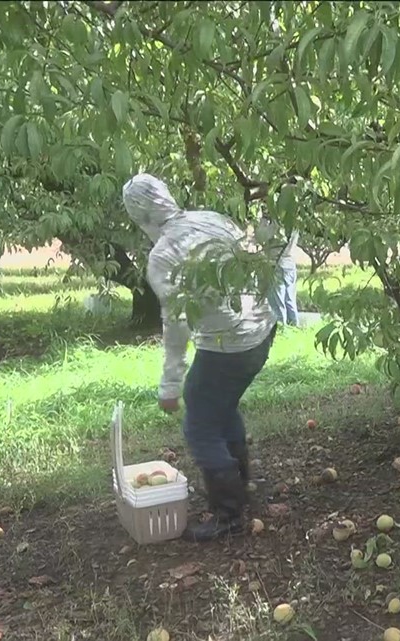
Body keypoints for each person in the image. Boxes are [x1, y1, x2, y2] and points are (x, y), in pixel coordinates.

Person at [122, 173, 278, 542]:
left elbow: (176, 322)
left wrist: (170, 384)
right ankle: (242, 487)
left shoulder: (163, 256)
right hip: (262, 331)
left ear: (139, 216)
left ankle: (229, 516)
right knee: (220, 407)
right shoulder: (211, 218)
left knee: (200, 424)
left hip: (229, 346)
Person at [258, 214, 300, 327]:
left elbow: (261, 237)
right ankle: (294, 326)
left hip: (276, 265)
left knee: (277, 302)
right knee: (289, 299)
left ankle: (281, 329)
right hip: (289, 264)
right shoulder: (294, 223)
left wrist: (263, 221)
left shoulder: (277, 224)